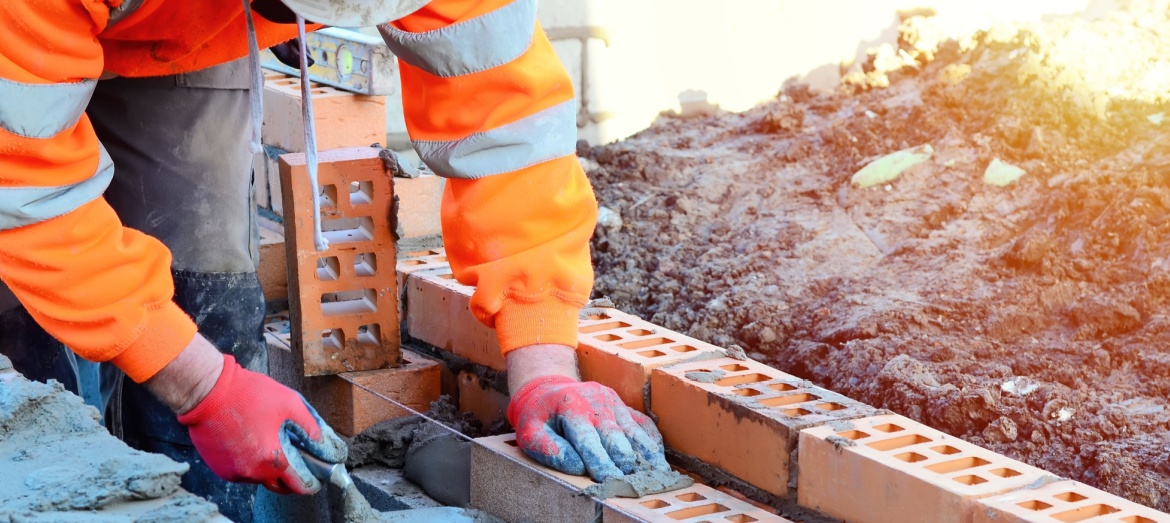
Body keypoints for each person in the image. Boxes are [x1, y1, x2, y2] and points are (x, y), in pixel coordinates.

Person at [0, 0, 668, 520]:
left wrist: (544, 355)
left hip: (187, 27)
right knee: (39, 350)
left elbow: (508, 126)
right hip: (23, 39)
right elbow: (24, 195)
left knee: (204, 294)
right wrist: (204, 390)